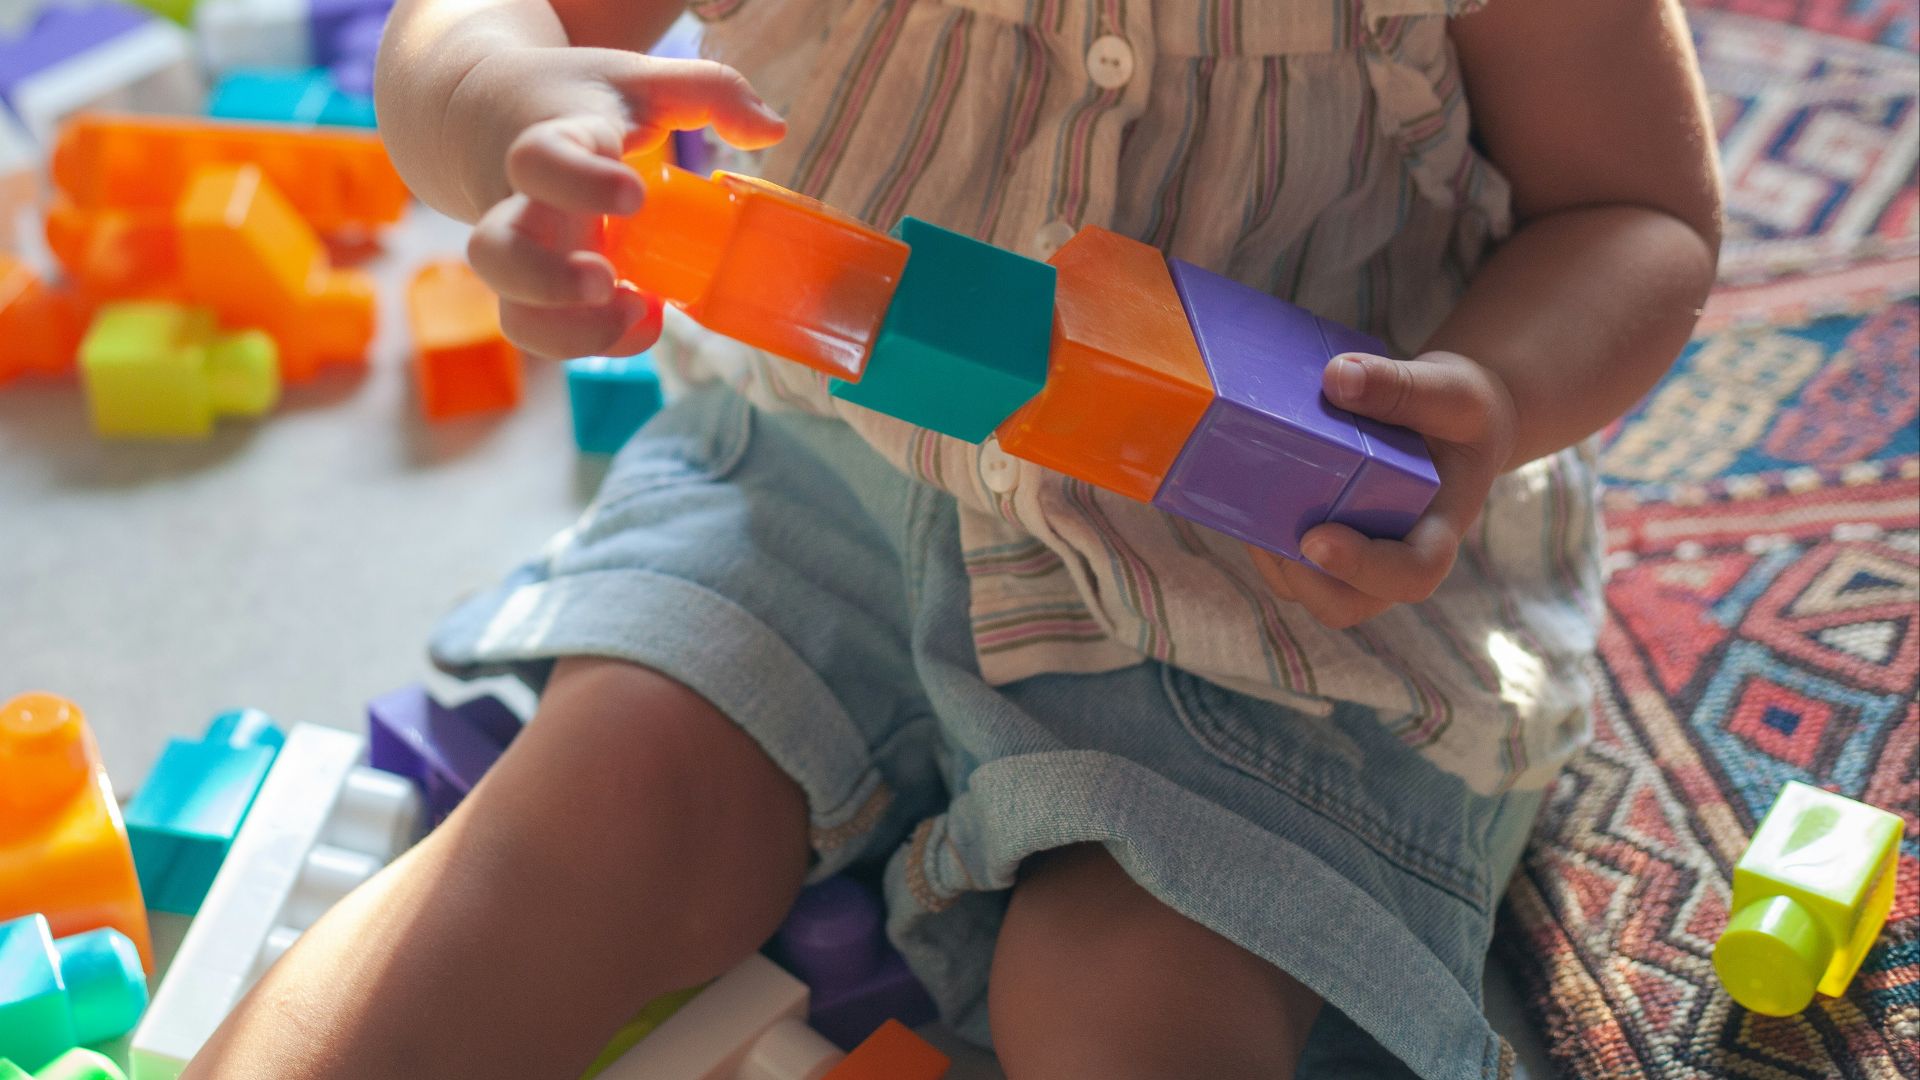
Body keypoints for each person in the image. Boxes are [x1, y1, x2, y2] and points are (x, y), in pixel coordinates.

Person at [184, 0, 1720, 1076]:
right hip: (817, 468)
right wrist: (511, 114)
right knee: (586, 830)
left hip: (1271, 580)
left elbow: (1636, 210)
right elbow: (466, 24)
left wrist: (1494, 394)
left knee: (1132, 1003)